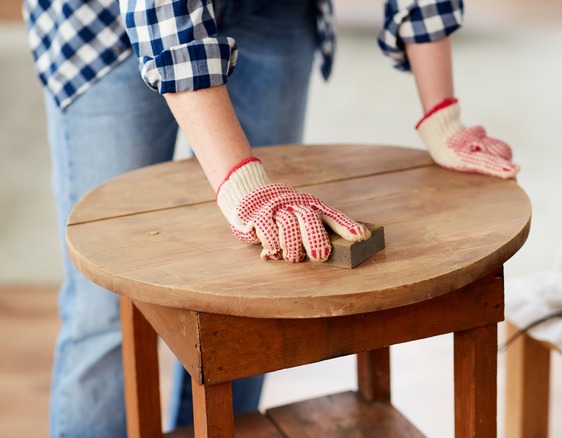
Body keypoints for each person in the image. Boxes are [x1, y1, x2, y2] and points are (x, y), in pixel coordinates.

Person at [22, 0, 518, 436]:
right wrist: (240, 178)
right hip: (105, 23)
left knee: (251, 292)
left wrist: (441, 112)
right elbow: (163, 11)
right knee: (104, 304)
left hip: (277, 10)